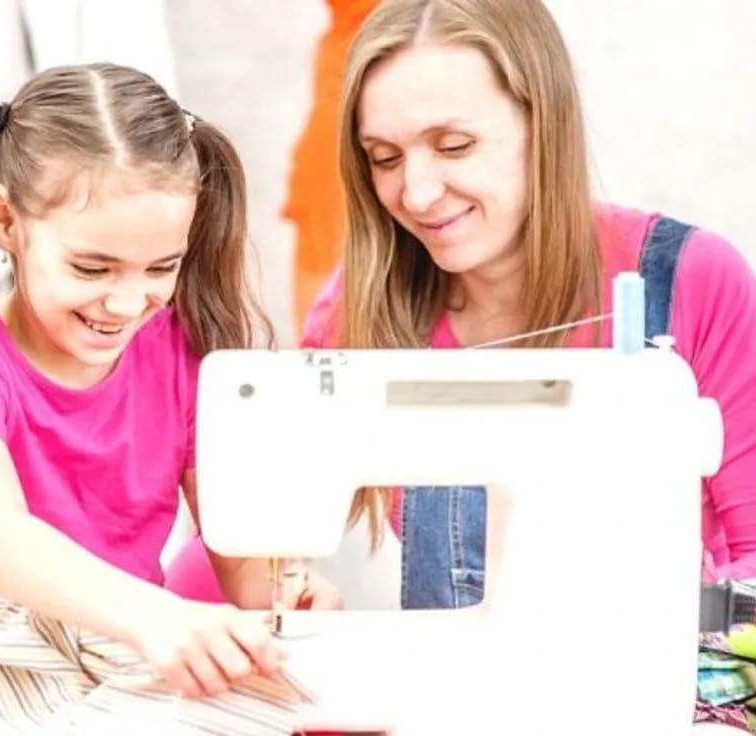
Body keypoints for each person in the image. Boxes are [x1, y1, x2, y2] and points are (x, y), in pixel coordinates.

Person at [0, 62, 341, 702]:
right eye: (93, 267)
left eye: (162, 267)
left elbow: (234, 548)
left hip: (120, 661)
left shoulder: (181, 355)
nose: (127, 303)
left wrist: (286, 591)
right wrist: (160, 619)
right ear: (6, 221)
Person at [298, 0, 756, 609]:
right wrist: (223, 599)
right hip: (459, 694)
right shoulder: (358, 311)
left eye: (455, 145)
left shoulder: (692, 280)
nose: (417, 191)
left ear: (544, 124)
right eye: (384, 157)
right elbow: (252, 527)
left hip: (667, 692)